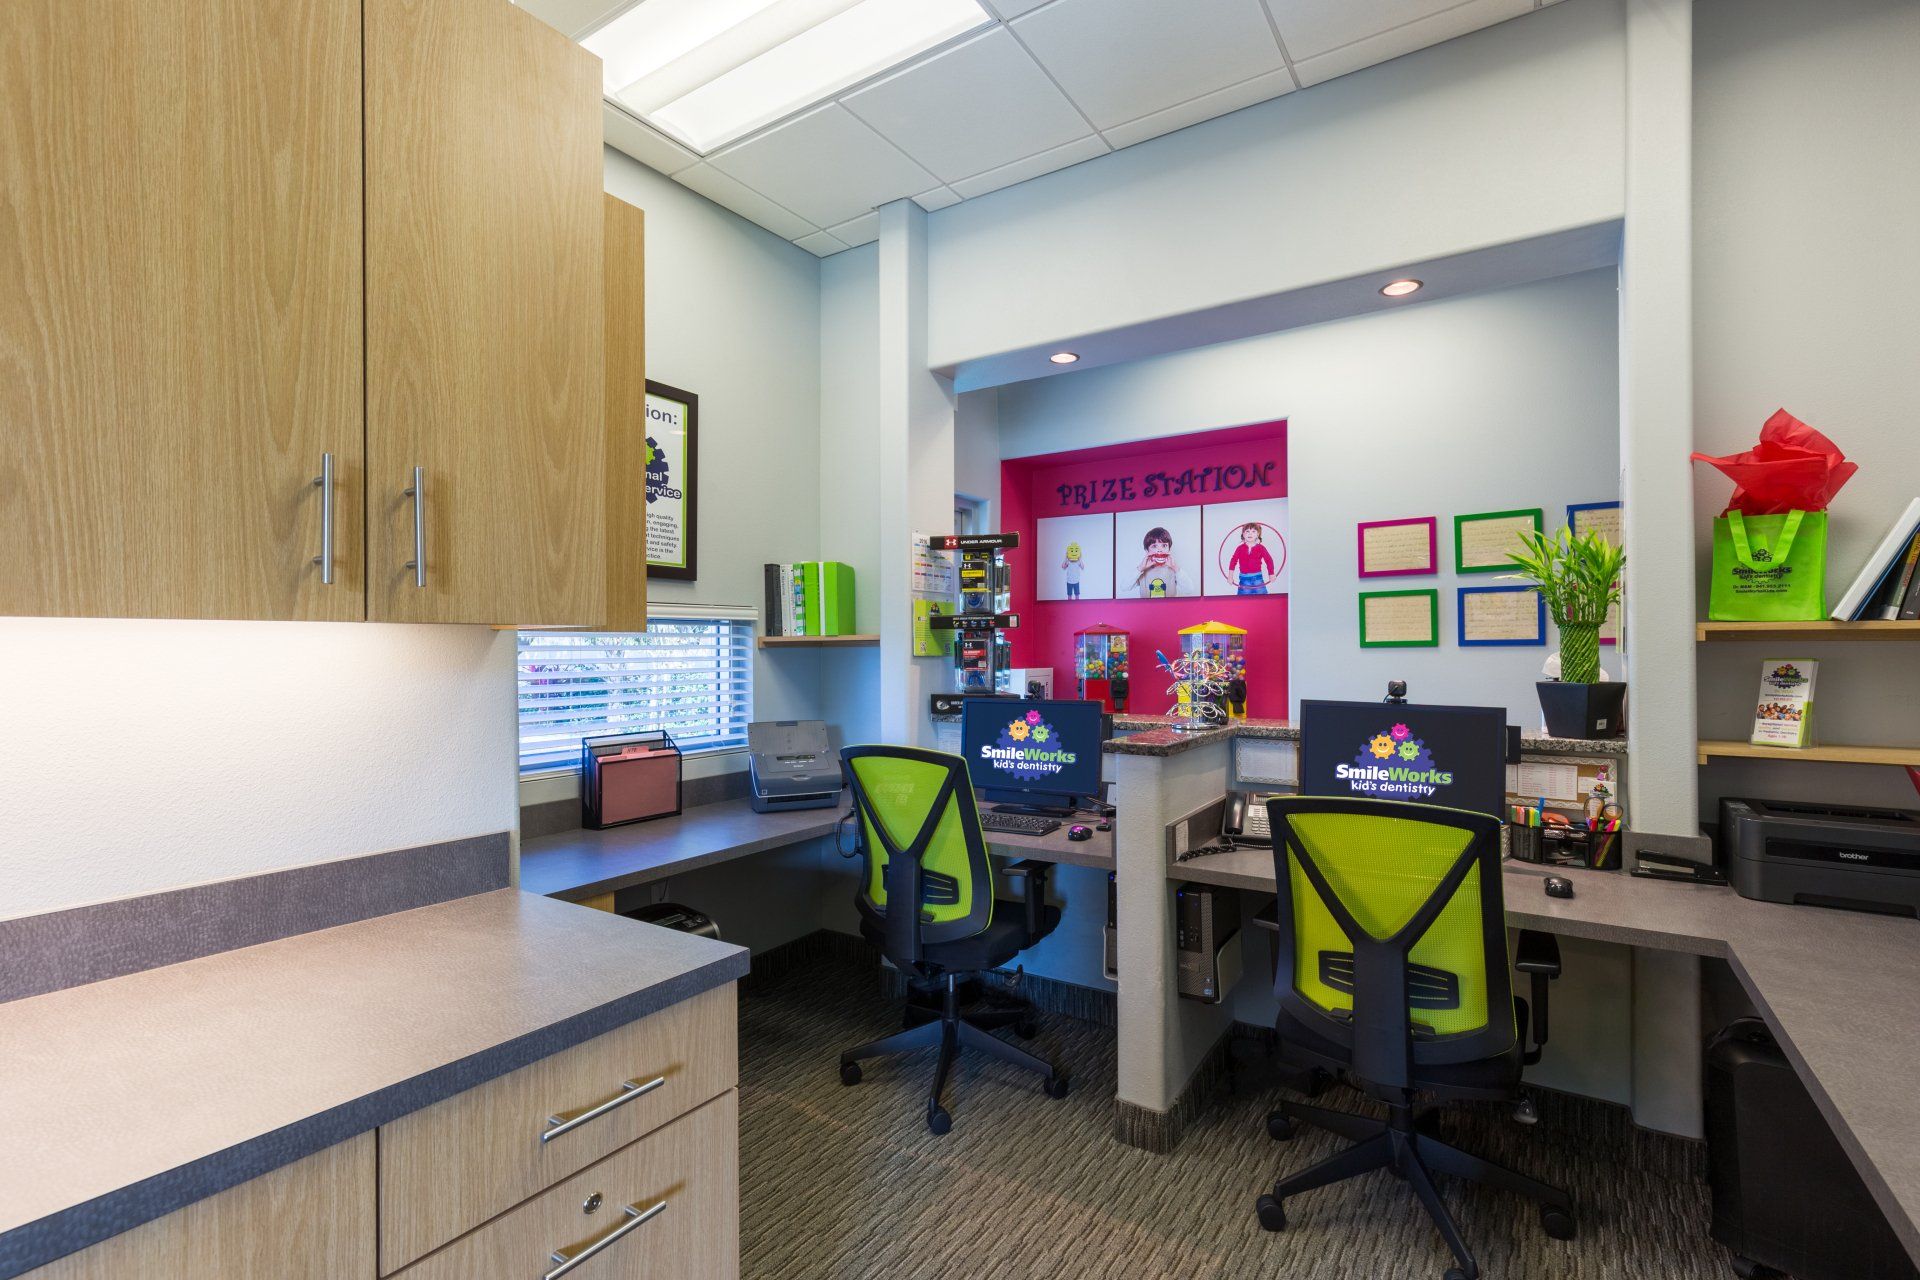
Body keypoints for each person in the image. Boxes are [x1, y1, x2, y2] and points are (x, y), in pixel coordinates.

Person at [1131, 526, 1190, 598]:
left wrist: (1175, 568)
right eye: (1154, 546)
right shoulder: (1142, 571)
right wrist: (1140, 568)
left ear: (1169, 550)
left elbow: (1189, 589)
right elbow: (1124, 587)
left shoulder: (1173, 570)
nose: (1159, 549)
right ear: (1147, 551)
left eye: (1164, 545)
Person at [1227, 522, 1275, 595]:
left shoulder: (1261, 548)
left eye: (1253, 531)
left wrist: (1271, 574)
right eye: (1247, 531)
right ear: (1243, 534)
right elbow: (1233, 561)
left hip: (1258, 578)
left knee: (1263, 600)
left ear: (1257, 534)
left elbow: (1269, 560)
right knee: (1243, 602)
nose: (1250, 534)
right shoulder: (1240, 548)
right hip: (1244, 579)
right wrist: (1230, 577)